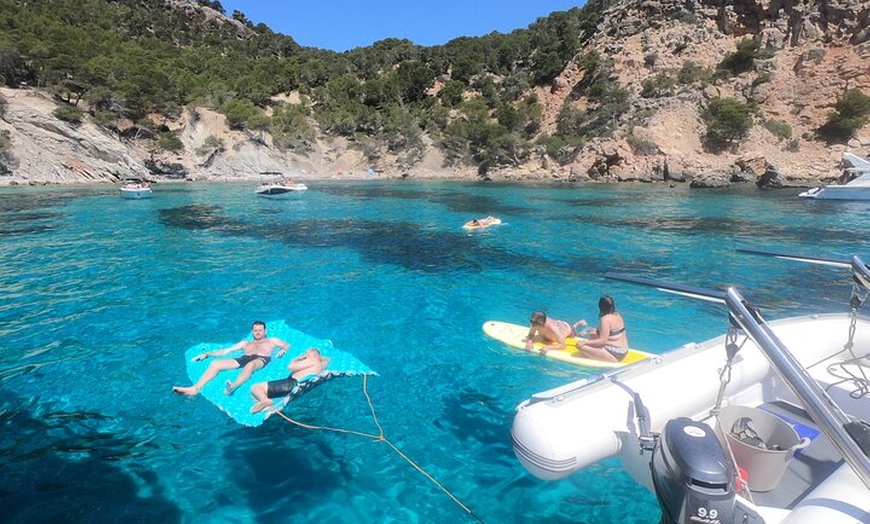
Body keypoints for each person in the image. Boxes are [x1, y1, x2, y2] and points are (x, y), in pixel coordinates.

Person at [172, 321, 290, 396]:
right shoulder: (245, 343)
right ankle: (195, 388)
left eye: (260, 330)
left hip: (261, 359)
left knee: (251, 365)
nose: (258, 332)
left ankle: (233, 387)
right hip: (244, 358)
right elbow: (226, 351)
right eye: (255, 330)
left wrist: (282, 350)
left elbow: (286, 345)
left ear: (265, 331)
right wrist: (208, 354)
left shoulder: (271, 340)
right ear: (252, 331)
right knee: (216, 364)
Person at [250, 347, 331, 413]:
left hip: (289, 384)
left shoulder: (312, 360)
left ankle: (265, 401)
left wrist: (297, 358)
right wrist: (317, 356)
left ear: (311, 353)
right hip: (292, 385)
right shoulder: (320, 365)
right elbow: (327, 359)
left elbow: (290, 367)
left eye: (307, 352)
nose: (305, 354)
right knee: (254, 396)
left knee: (256, 388)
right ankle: (269, 407)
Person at [573, 295, 629, 362]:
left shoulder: (605, 319)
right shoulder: (617, 314)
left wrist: (585, 342)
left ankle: (596, 355)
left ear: (601, 306)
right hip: (624, 350)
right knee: (592, 333)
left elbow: (602, 341)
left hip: (614, 355)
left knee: (580, 346)